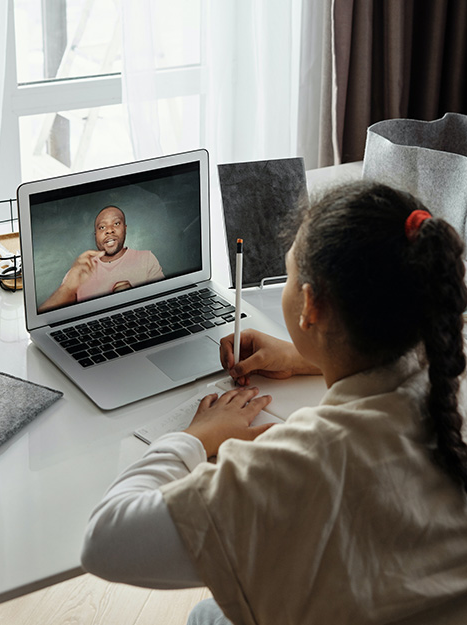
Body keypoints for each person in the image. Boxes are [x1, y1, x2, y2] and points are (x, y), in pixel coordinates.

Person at [81, 181, 467, 624]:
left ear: (309, 306)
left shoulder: (300, 464)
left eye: (288, 274)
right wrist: (308, 355)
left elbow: (105, 540)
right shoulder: (453, 357)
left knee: (205, 618)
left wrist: (195, 437)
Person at [38, 205, 164, 312]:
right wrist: (68, 288)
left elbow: (162, 306)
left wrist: (132, 297)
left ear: (125, 229)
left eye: (116, 223)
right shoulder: (80, 270)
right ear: (95, 235)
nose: (109, 230)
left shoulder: (146, 259)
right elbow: (46, 320)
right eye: (102, 227)